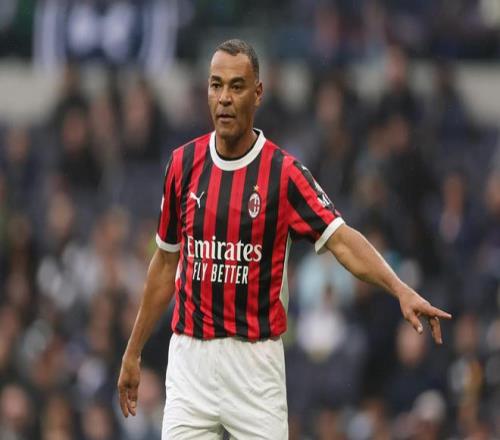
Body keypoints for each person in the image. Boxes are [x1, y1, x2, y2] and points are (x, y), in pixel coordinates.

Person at [117, 39, 452, 439]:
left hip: (254, 367)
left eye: (237, 86)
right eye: (216, 85)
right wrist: (133, 350)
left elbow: (342, 240)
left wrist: (399, 289)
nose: (224, 98)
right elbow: (164, 264)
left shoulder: (284, 173)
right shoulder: (182, 164)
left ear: (258, 93)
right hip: (190, 362)